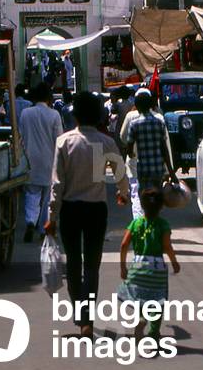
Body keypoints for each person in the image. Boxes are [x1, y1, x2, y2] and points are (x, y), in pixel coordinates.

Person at [45, 91, 128, 338]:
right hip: (96, 209)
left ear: (75, 114)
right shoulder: (106, 142)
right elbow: (121, 174)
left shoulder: (64, 142)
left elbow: (57, 184)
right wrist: (123, 194)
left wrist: (52, 215)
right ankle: (86, 321)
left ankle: (81, 315)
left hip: (70, 209)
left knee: (73, 263)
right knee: (92, 266)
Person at [119, 186, 180, 345]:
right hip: (157, 269)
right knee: (158, 301)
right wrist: (174, 262)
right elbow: (167, 246)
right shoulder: (163, 224)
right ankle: (153, 332)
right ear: (161, 206)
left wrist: (123, 267)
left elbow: (124, 244)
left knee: (141, 297)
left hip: (138, 268)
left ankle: (141, 318)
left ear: (142, 205)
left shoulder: (135, 223)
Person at [120, 87, 172, 219]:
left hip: (137, 166)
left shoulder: (132, 119)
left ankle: (140, 224)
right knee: (156, 196)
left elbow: (123, 138)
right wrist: (169, 171)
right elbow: (165, 146)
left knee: (138, 196)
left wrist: (130, 151)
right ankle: (154, 222)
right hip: (157, 167)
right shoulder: (159, 118)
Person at [20, 83, 62, 242]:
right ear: (49, 98)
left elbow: (21, 136)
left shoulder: (25, 113)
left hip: (29, 160)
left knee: (31, 194)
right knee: (46, 197)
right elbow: (59, 140)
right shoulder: (54, 115)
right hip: (49, 160)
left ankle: (30, 220)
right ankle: (43, 227)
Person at [126, 89, 176, 193]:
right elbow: (164, 149)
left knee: (144, 195)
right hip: (158, 169)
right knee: (158, 195)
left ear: (137, 106)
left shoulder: (134, 124)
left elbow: (129, 147)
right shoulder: (159, 122)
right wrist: (171, 172)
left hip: (143, 170)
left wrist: (131, 153)